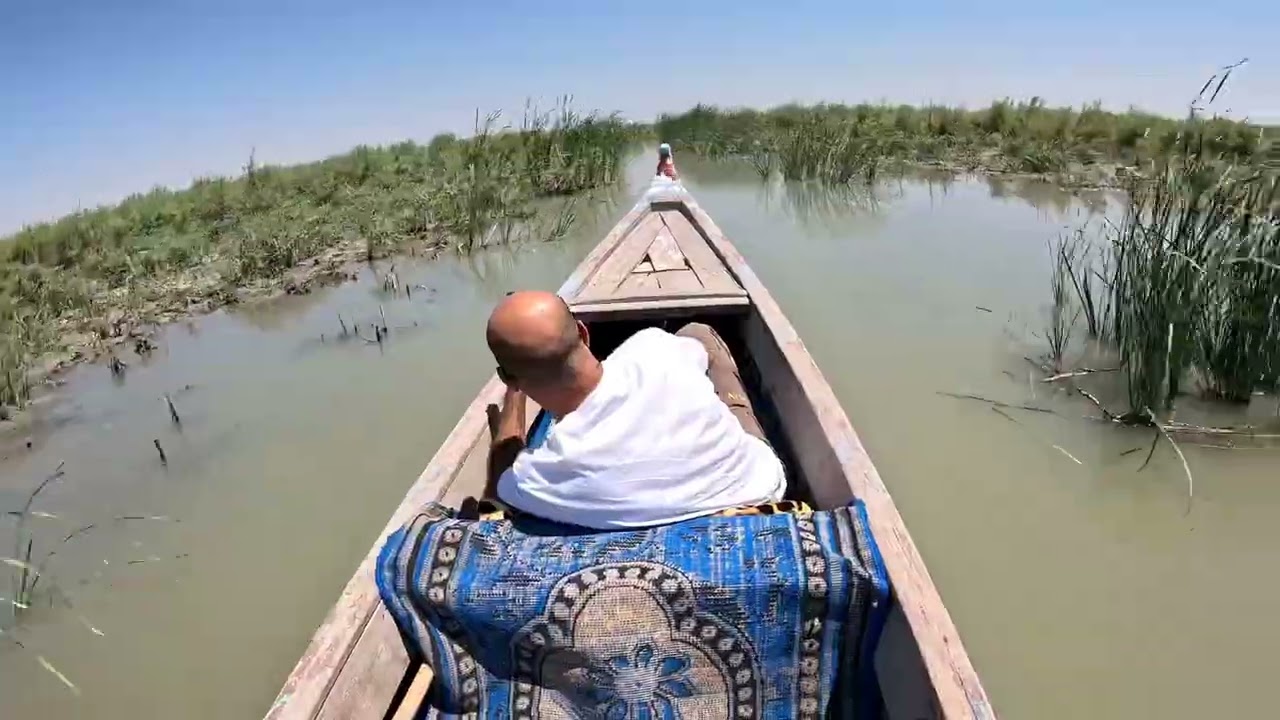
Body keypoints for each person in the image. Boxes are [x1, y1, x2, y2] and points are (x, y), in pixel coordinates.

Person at [483, 290, 785, 529]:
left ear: (508, 377)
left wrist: (514, 395)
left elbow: (502, 479)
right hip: (758, 488)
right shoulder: (654, 346)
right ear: (584, 333)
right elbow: (698, 357)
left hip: (737, 496)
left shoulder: (546, 470)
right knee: (698, 333)